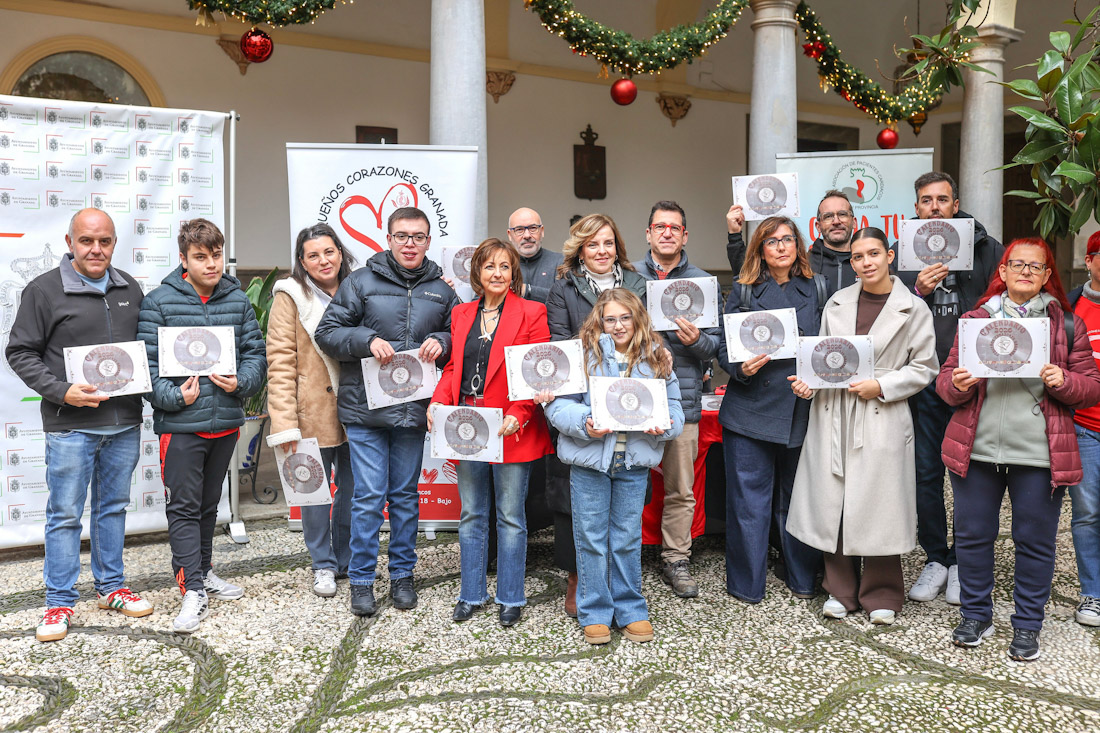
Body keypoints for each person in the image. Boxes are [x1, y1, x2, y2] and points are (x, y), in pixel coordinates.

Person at [938, 237, 1100, 661]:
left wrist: (1063, 382)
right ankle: (976, 614)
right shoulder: (975, 320)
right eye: (1017, 265)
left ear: (1048, 275)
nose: (1026, 272)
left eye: (1036, 266)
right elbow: (945, 380)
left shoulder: (1065, 324)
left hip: (1038, 453)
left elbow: (1091, 387)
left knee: (1035, 541)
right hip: (977, 449)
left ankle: (1027, 625)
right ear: (1003, 272)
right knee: (973, 537)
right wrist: (955, 384)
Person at [6, 208, 152, 642]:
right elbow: (20, 352)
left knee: (112, 509)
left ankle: (111, 588)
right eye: (87, 241)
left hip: (124, 422)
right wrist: (61, 390)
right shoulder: (44, 290)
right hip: (70, 425)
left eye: (104, 241)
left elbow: (143, 353)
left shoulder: (129, 287)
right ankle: (58, 603)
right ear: (70, 242)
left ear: (113, 243)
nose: (96, 249)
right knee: (65, 514)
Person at [788, 227, 938, 625]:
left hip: (881, 413)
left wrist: (883, 385)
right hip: (834, 411)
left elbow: (924, 368)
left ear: (890, 256)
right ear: (851, 262)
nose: (866, 262)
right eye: (858, 257)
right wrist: (809, 383)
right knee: (833, 502)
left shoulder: (913, 307)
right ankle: (840, 590)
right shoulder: (837, 301)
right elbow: (823, 359)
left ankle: (883, 593)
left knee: (881, 505)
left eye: (873, 254)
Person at [316, 206, 460, 618]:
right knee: (367, 498)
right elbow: (327, 333)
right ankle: (361, 581)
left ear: (429, 241)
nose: (410, 244)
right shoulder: (359, 281)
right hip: (366, 412)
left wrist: (443, 341)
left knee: (405, 497)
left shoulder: (442, 291)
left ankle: (402, 576)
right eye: (402, 236)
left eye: (418, 237)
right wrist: (366, 339)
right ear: (388, 238)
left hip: (414, 411)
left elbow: (460, 334)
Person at [137, 218, 267, 634]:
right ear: (183, 259)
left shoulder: (238, 300)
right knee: (184, 507)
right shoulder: (158, 302)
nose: (211, 264)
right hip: (182, 426)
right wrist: (176, 398)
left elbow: (255, 356)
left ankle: (205, 571)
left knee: (210, 506)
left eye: (215, 256)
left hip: (225, 421)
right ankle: (191, 589)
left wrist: (242, 382)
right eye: (200, 257)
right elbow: (147, 369)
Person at [542, 288, 685, 644]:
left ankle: (631, 608)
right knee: (590, 539)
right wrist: (586, 421)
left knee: (626, 538)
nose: (618, 325)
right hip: (590, 462)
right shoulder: (581, 357)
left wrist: (665, 424)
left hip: (633, 463)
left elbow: (676, 408)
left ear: (637, 318)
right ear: (599, 321)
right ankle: (595, 611)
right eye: (610, 319)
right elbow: (558, 407)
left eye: (625, 317)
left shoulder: (657, 358)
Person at [427, 238, 554, 627]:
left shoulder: (533, 312)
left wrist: (521, 413)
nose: (497, 273)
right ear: (477, 274)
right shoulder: (462, 313)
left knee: (511, 516)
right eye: (489, 267)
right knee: (471, 513)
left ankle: (511, 597)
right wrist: (436, 401)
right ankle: (471, 593)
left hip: (511, 425)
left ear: (513, 272)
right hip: (466, 423)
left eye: (504, 266)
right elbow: (452, 370)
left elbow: (537, 370)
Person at [901, 172, 1003, 606]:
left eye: (943, 199)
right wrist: (916, 291)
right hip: (925, 382)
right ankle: (936, 557)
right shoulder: (903, 251)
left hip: (971, 383)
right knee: (926, 475)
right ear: (918, 207)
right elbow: (890, 314)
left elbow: (1005, 305)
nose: (935, 207)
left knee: (969, 474)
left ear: (956, 203)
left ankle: (965, 560)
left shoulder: (987, 247)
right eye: (927, 200)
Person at [544, 213, 647, 617]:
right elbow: (557, 340)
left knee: (624, 519)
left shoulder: (637, 283)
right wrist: (581, 360)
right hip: (583, 392)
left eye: (607, 243)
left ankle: (622, 593)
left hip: (631, 404)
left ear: (616, 246)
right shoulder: (563, 287)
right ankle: (580, 580)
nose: (601, 251)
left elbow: (646, 338)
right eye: (592, 244)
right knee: (577, 503)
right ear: (580, 250)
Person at [717, 216, 823, 603]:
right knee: (749, 502)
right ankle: (747, 585)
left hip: (800, 406)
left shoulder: (818, 288)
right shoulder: (744, 291)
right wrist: (740, 368)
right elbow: (723, 348)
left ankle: (802, 578)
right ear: (759, 250)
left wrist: (818, 380)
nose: (780, 246)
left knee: (797, 498)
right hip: (749, 408)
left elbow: (827, 346)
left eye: (787, 239)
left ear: (798, 245)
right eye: (771, 241)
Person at [633, 200, 720, 597]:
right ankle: (626, 554)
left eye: (675, 228)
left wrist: (697, 340)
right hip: (631, 402)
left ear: (685, 236)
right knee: (628, 482)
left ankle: (676, 557)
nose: (667, 233)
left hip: (682, 403)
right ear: (648, 233)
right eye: (659, 226)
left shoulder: (703, 282)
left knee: (681, 487)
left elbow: (717, 349)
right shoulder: (629, 277)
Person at [266, 224, 357, 598]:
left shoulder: (358, 287)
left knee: (353, 491)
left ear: (340, 252)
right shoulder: (290, 297)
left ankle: (347, 560)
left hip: (356, 408)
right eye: (313, 255)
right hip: (310, 411)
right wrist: (285, 422)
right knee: (314, 493)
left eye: (329, 251)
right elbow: (281, 362)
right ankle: (322, 563)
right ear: (302, 262)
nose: (323, 260)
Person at [725, 190, 858, 297]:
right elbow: (748, 275)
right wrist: (735, 235)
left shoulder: (867, 262)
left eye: (842, 214)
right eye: (828, 216)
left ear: (854, 222)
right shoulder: (802, 262)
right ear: (818, 226)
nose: (836, 221)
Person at [1067, 231, 1100, 627]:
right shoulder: (1070, 308)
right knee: (1088, 513)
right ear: (1089, 261)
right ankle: (1092, 593)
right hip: (1084, 428)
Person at [508, 207, 563, 304]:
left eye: (533, 228)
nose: (527, 235)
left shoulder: (561, 263)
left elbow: (566, 299)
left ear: (542, 231)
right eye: (519, 230)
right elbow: (483, 300)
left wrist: (526, 290)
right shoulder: (502, 265)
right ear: (510, 235)